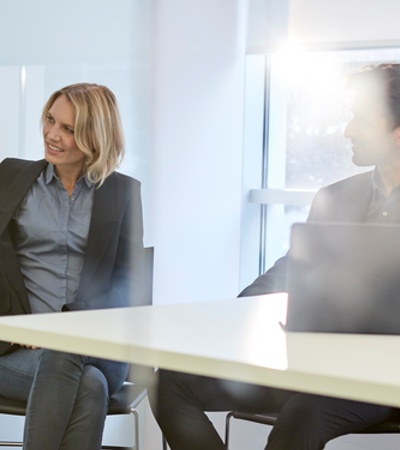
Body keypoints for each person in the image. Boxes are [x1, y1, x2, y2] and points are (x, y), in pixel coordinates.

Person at [148, 63, 400, 450]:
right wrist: (234, 314)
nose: (348, 130)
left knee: (303, 414)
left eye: (363, 120)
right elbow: (294, 269)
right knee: (170, 380)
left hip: (379, 380)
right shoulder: (335, 197)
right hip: (309, 363)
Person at [0, 83, 145, 450]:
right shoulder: (11, 178)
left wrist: (70, 329)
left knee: (67, 343)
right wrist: (16, 324)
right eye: (51, 120)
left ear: (95, 138)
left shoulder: (122, 193)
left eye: (68, 129)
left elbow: (132, 284)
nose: (52, 135)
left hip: (95, 345)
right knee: (89, 385)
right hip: (17, 349)